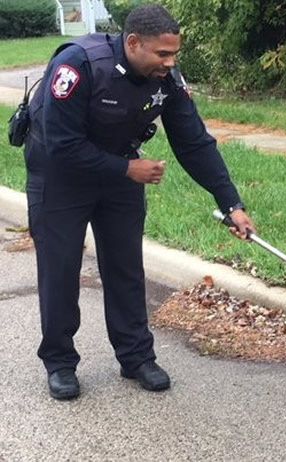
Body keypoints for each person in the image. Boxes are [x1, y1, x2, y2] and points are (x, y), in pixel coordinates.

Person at [24, 4, 255, 400]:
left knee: (126, 268)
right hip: (60, 175)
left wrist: (231, 203)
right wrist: (127, 169)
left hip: (119, 174)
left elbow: (194, 142)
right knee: (60, 270)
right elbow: (62, 145)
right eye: (163, 54)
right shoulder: (77, 66)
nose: (171, 62)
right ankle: (60, 363)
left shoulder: (166, 80)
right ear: (133, 43)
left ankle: (136, 357)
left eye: (175, 53)